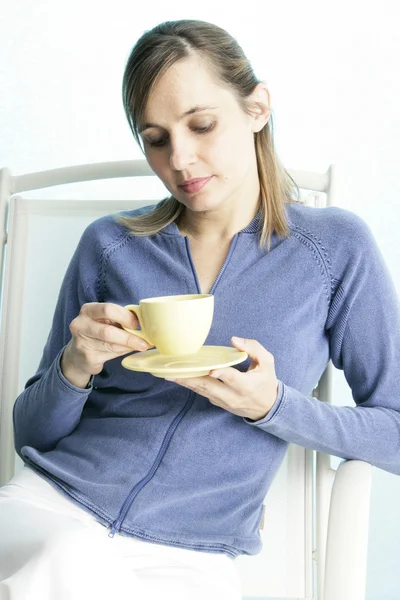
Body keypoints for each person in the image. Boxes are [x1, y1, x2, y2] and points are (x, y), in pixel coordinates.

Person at [1, 17, 400, 600]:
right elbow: (29, 433)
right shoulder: (110, 245)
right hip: (51, 509)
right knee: (68, 558)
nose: (181, 160)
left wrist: (275, 407)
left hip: (191, 554)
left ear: (257, 108)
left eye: (202, 125)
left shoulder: (334, 250)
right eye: (157, 139)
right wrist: (75, 365)